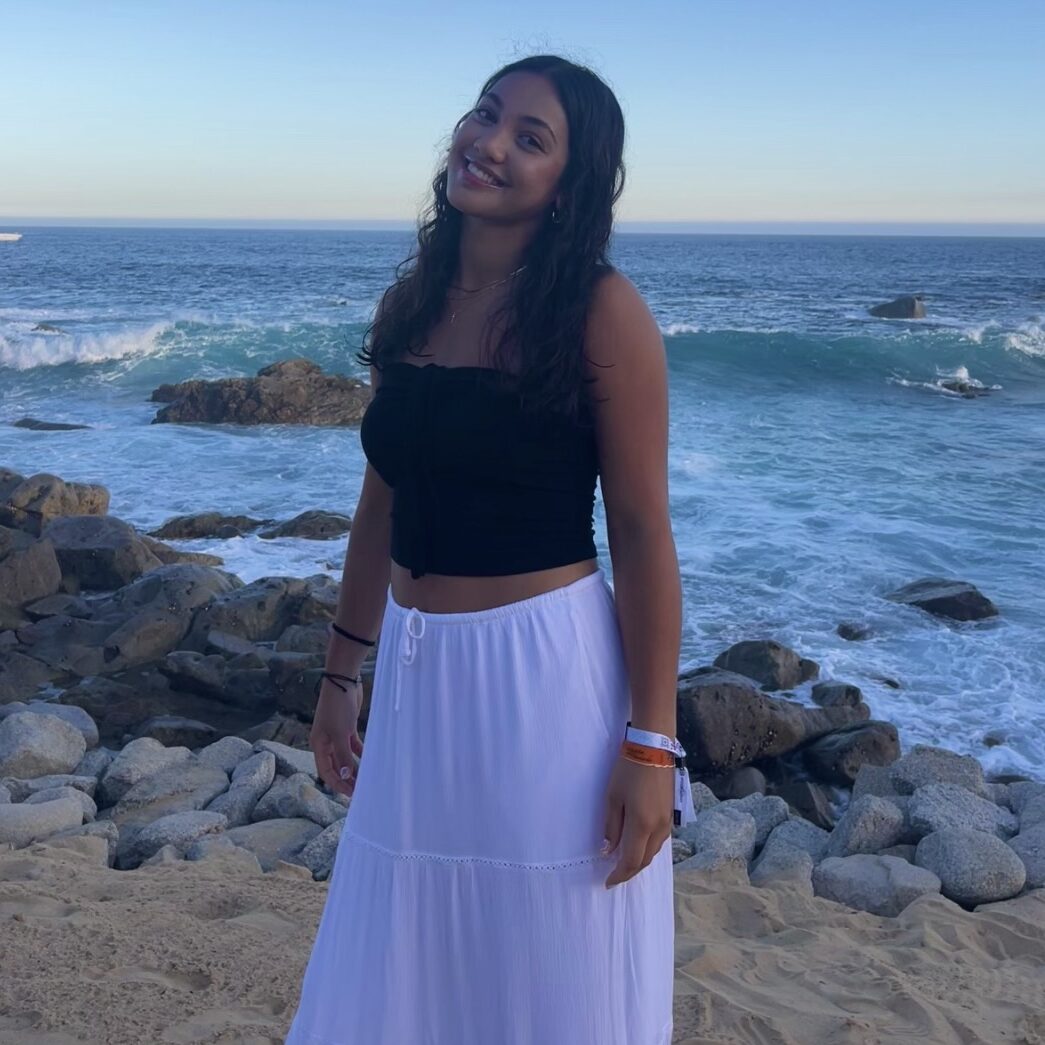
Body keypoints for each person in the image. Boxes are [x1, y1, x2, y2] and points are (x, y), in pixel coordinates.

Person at [284, 53, 693, 1045]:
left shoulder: (601, 314)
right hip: (419, 678)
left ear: (570, 182)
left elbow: (640, 533)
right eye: (486, 114)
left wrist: (650, 740)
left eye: (530, 137)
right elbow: (381, 501)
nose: (490, 143)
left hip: (542, 677)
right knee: (407, 953)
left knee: (550, 951)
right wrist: (341, 673)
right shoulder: (410, 307)